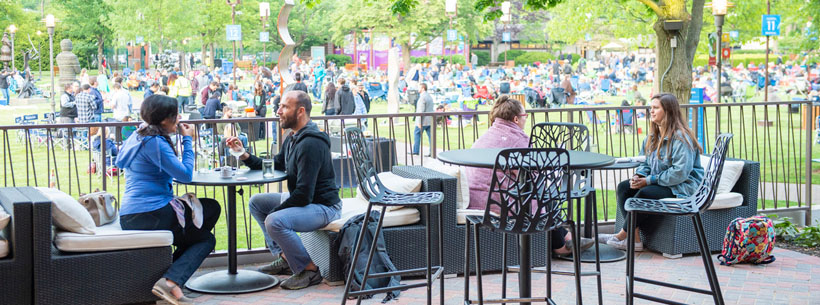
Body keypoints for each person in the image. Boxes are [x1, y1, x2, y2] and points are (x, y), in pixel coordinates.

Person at [226, 90, 341, 290]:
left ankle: (309, 270)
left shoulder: (311, 143)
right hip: (308, 200)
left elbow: (304, 195)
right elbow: (274, 164)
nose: (278, 111)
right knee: (257, 202)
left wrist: (275, 212)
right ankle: (286, 258)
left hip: (323, 206)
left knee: (274, 220)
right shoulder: (293, 137)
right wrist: (243, 154)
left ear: (301, 111)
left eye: (284, 106)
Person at [116, 95, 220, 305]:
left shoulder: (138, 134)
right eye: (175, 116)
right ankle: (171, 281)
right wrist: (189, 139)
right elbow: (185, 175)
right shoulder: (153, 143)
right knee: (207, 233)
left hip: (132, 214)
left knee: (204, 219)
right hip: (151, 213)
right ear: (164, 120)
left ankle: (169, 276)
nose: (179, 119)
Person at [463, 95, 594, 255]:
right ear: (516, 119)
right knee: (545, 197)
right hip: (499, 207)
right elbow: (532, 177)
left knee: (543, 197)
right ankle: (561, 246)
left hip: (477, 202)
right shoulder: (518, 140)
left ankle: (567, 238)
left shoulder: (486, 137)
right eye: (525, 116)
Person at [599, 93, 704, 251]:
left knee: (645, 193)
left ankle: (621, 235)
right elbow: (646, 163)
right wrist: (639, 175)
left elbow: (679, 173)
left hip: (683, 186)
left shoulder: (681, 138)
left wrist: (648, 181)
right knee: (624, 187)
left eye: (656, 108)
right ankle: (634, 241)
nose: (651, 111)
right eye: (651, 108)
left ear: (668, 111)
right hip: (662, 181)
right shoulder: (653, 137)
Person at [412, 83, 434, 155]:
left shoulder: (422, 98)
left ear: (423, 88)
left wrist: (418, 122)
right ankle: (432, 152)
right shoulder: (429, 96)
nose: (418, 89)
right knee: (431, 137)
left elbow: (420, 111)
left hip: (423, 121)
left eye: (419, 87)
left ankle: (416, 151)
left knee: (417, 134)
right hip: (430, 120)